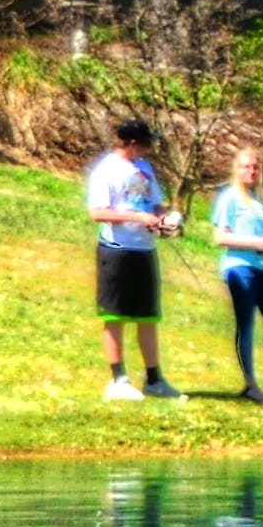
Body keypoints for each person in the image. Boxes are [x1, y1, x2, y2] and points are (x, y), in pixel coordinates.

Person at [84, 114, 179, 402]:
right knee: (116, 315)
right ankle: (119, 379)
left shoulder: (144, 168)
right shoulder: (107, 170)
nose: (150, 149)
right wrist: (135, 216)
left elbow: (156, 203)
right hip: (117, 249)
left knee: (148, 315)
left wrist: (166, 219)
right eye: (147, 143)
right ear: (133, 143)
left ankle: (154, 378)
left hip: (144, 250)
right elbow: (99, 212)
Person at [208, 148, 263, 401]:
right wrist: (256, 243)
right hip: (239, 267)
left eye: (256, 167)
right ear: (237, 170)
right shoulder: (230, 198)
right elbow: (221, 237)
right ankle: (250, 384)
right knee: (246, 324)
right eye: (246, 167)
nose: (251, 172)